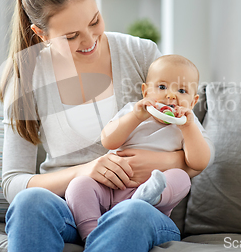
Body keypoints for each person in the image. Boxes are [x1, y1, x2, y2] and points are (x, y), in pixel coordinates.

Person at [0, 0, 205, 252]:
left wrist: (166, 162)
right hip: (70, 209)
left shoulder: (141, 54)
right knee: (28, 202)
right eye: (70, 36)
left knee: (129, 215)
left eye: (95, 20)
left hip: (140, 210)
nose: (89, 40)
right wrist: (86, 171)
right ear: (41, 34)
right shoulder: (25, 76)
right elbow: (13, 184)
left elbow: (196, 146)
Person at [65, 55, 213, 241]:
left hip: (151, 203)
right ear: (145, 92)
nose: (171, 95)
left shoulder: (188, 125)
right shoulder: (133, 111)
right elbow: (108, 141)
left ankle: (144, 199)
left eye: (182, 90)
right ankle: (91, 234)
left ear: (193, 102)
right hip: (110, 188)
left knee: (181, 178)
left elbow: (199, 163)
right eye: (161, 87)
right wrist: (136, 116)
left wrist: (188, 127)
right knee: (78, 185)